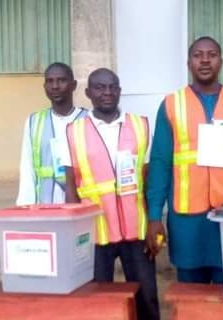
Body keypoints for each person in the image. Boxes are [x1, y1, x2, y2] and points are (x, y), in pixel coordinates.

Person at [146, 36, 223, 284]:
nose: (205, 60)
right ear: (189, 62)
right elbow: (159, 164)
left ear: (221, 61)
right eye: (198, 55)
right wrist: (155, 216)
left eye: (211, 54)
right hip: (187, 219)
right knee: (190, 297)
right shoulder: (171, 104)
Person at [64, 68, 160, 320]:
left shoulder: (140, 125)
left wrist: (154, 222)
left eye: (112, 87)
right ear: (88, 93)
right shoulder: (73, 132)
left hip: (135, 229)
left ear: (119, 90)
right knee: (97, 300)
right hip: (96, 230)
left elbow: (149, 179)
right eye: (99, 87)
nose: (107, 92)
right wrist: (75, 234)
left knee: (146, 297)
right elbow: (71, 188)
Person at [16, 62, 87, 205]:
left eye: (61, 80)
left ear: (73, 85)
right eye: (50, 81)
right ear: (44, 87)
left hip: (82, 204)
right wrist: (25, 205)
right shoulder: (34, 121)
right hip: (45, 204)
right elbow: (27, 166)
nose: (55, 86)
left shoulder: (88, 120)